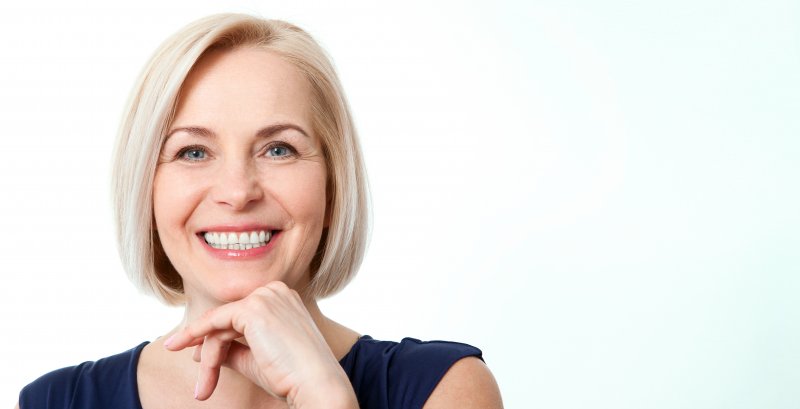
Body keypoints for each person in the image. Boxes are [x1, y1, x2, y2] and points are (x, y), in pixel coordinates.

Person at [17, 13, 502, 409]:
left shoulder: (445, 390)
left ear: (334, 186)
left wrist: (326, 400)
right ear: (146, 190)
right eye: (193, 152)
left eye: (279, 149)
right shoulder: (54, 402)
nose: (237, 191)